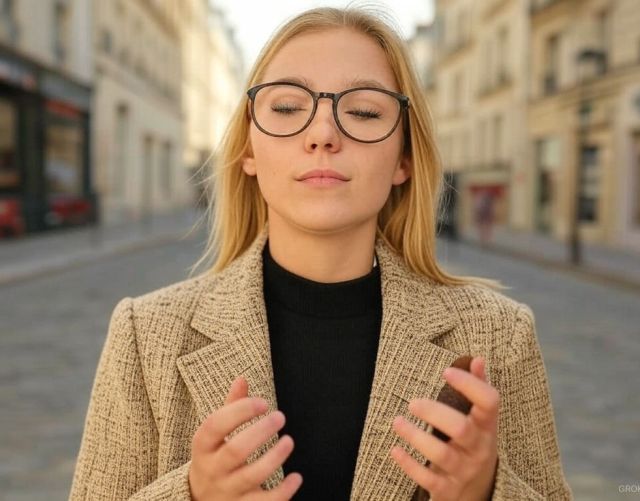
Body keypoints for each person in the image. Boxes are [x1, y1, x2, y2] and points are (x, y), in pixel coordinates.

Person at [68, 6, 573, 501]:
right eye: (287, 107)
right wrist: (194, 494)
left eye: (364, 111)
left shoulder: (498, 334)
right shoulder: (145, 331)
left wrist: (483, 493)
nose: (323, 135)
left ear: (403, 158)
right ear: (248, 150)